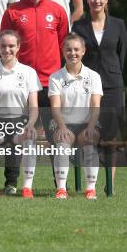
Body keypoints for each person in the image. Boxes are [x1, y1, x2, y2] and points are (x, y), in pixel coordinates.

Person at [0, 0, 68, 143]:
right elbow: (5, 46)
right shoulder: (12, 12)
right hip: (20, 82)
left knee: (57, 137)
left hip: (50, 82)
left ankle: (60, 172)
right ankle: (14, 173)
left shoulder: (58, 11)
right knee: (17, 139)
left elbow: (63, 46)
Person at [72, 0, 127, 188]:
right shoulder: (79, 26)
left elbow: (122, 55)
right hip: (87, 86)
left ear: (106, 0)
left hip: (113, 85)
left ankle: (109, 182)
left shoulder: (118, 24)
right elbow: (75, 54)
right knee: (89, 132)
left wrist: (114, 75)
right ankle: (90, 182)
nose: (97, 1)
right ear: (87, 0)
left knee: (111, 135)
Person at [0, 30, 41, 197]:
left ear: (18, 47)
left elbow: (33, 106)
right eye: (3, 46)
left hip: (20, 121)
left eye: (11, 46)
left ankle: (26, 188)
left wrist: (30, 125)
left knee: (29, 136)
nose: (7, 49)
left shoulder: (28, 72)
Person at [48, 33, 103, 200]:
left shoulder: (93, 76)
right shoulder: (55, 77)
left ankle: (90, 189)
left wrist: (91, 127)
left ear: (84, 51)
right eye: (68, 49)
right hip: (62, 122)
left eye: (76, 49)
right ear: (63, 51)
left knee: (89, 141)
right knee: (63, 143)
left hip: (88, 122)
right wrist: (62, 127)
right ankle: (62, 189)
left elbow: (95, 106)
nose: (73, 53)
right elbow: (55, 108)